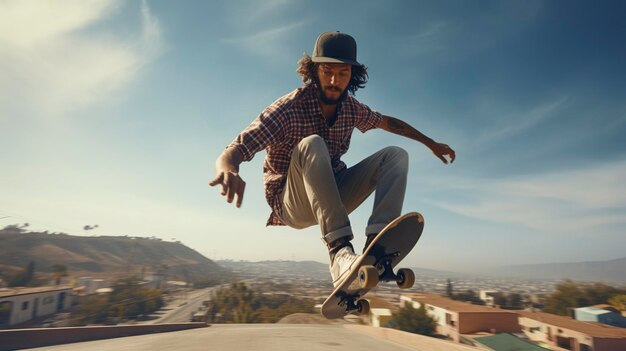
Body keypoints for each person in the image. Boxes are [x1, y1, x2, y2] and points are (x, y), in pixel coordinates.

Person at [210, 32, 455, 288]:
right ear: (314, 71)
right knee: (313, 144)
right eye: (327, 71)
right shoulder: (289, 108)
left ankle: (378, 250)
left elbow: (388, 123)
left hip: (333, 195)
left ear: (353, 76)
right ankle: (338, 252)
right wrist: (228, 168)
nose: (334, 81)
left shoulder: (351, 108)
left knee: (395, 156)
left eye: (343, 74)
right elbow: (238, 146)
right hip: (291, 203)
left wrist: (430, 143)